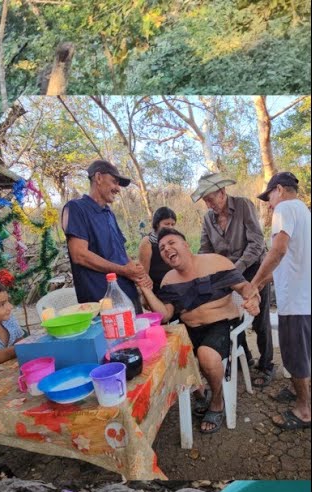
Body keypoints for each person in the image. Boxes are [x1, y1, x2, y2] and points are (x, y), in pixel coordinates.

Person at [136, 228, 260, 434]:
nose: (167, 249)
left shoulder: (217, 262)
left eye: (171, 243)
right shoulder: (168, 280)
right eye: (162, 248)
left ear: (186, 244)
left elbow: (245, 288)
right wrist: (145, 289)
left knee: (206, 355)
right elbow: (165, 315)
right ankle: (198, 391)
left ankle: (217, 401)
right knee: (165, 353)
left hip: (222, 325)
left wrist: (253, 299)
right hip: (189, 329)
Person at [195, 172, 275, 388]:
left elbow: (256, 242)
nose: (209, 205)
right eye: (205, 202)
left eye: (211, 199)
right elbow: (205, 249)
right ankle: (245, 358)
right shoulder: (208, 219)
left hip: (252, 270)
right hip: (226, 275)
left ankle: (267, 365)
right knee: (231, 318)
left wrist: (235, 268)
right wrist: (204, 268)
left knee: (259, 318)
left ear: (222, 193)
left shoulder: (243, 206)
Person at [250, 171, 311, 430]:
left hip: (296, 301)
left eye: (269, 197)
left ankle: (304, 410)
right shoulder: (304, 212)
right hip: (304, 297)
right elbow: (292, 259)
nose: (269, 203)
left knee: (296, 356)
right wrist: (267, 279)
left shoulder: (284, 208)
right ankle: (302, 394)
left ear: (280, 190)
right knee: (304, 354)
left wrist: (255, 284)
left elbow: (279, 249)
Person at [62, 159, 145, 311]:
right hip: (102, 301)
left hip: (127, 295)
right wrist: (123, 270)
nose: (118, 189)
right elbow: (79, 255)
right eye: (114, 181)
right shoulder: (76, 208)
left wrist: (136, 271)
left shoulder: (109, 214)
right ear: (98, 178)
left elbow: (120, 252)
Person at [137, 206, 178, 293]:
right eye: (166, 224)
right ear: (157, 224)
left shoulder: (176, 239)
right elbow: (144, 274)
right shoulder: (147, 242)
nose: (170, 227)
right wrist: (147, 295)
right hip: (157, 289)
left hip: (176, 286)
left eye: (173, 224)